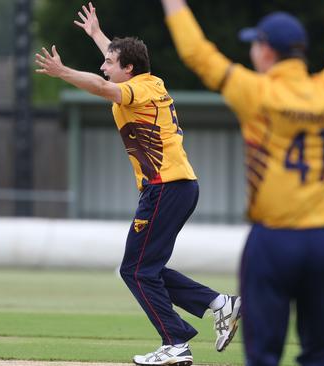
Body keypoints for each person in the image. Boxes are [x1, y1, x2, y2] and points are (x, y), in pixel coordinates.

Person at [160, 0, 324, 365]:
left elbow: (197, 54)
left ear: (267, 50)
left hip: (272, 241)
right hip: (321, 241)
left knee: (263, 352)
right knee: (319, 348)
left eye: (255, 44)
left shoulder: (257, 92)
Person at [35, 3, 241, 365]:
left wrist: (62, 71)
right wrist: (98, 35)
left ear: (128, 69)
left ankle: (176, 342)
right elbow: (113, 67)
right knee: (148, 268)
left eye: (110, 61)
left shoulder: (136, 91)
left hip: (165, 188)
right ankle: (219, 304)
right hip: (177, 187)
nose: (104, 65)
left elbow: (102, 86)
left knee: (135, 270)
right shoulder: (150, 82)